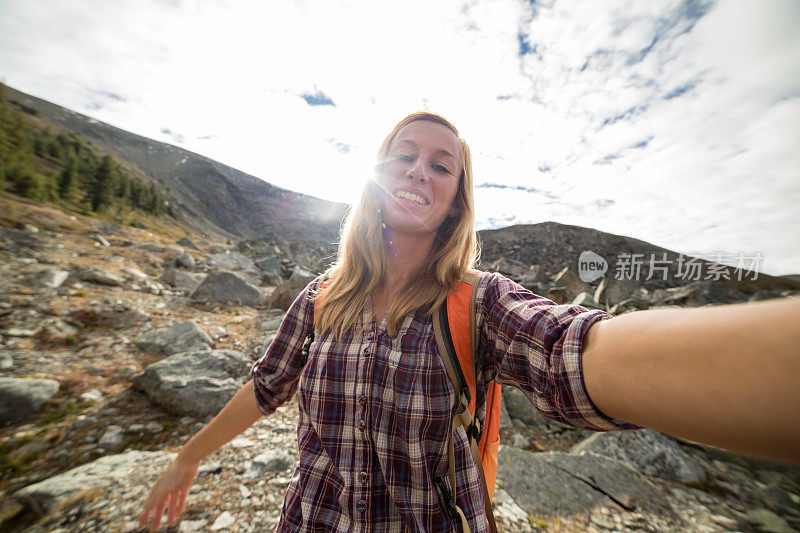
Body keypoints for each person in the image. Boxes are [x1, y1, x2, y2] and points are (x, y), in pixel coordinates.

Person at [138, 111, 800, 532]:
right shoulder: (319, 297)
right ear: (376, 174)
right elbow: (266, 386)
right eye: (404, 154)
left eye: (440, 164)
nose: (418, 169)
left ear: (454, 203)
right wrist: (187, 457)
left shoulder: (479, 303)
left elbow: (576, 351)